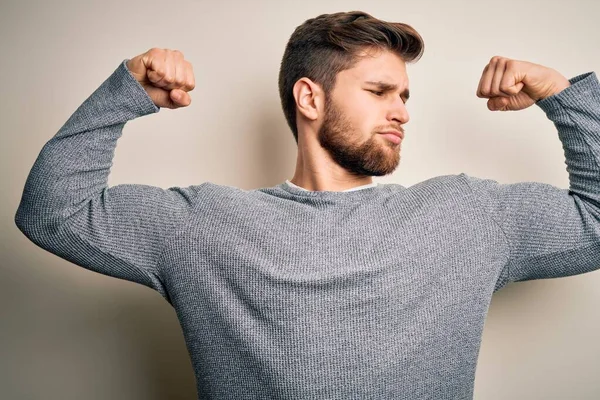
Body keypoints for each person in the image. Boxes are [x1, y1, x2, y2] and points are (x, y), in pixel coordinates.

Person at [13, 10, 600, 400]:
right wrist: (125, 93)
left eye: (404, 95)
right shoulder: (205, 225)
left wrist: (562, 95)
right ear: (309, 97)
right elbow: (53, 213)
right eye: (378, 92)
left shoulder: (465, 214)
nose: (402, 111)